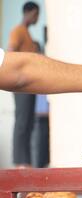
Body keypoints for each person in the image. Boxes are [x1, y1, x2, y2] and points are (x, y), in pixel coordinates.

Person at [8, 2, 41, 168]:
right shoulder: (18, 31)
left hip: (29, 86)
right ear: (28, 13)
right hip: (20, 85)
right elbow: (11, 52)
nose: (37, 18)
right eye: (36, 14)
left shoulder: (27, 34)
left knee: (28, 123)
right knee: (22, 122)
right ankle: (20, 163)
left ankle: (26, 162)